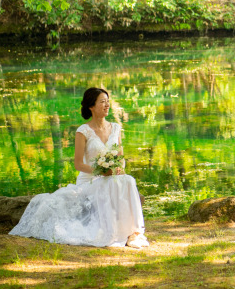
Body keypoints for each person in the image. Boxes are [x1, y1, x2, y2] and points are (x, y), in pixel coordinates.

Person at [10, 88, 149, 248]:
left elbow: (120, 157)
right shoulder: (83, 131)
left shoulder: (115, 128)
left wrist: (118, 169)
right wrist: (100, 171)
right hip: (89, 181)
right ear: (91, 106)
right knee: (116, 183)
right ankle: (118, 232)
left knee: (128, 180)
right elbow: (78, 164)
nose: (107, 105)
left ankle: (135, 233)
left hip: (111, 177)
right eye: (102, 102)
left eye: (108, 101)